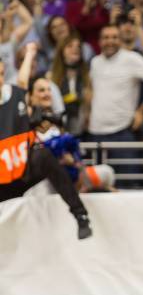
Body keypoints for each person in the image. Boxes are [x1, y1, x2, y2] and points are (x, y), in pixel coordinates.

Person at [0, 43, 91, 239]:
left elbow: (23, 81)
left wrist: (30, 53)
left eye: (0, 74)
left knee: (43, 155)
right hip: (1, 180)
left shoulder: (15, 94)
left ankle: (80, 214)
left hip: (22, 171)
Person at [87, 25, 143, 157]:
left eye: (114, 37)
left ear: (120, 40)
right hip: (95, 133)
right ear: (99, 41)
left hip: (122, 132)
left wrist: (141, 111)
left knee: (126, 177)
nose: (110, 41)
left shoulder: (131, 58)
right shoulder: (95, 62)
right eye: (106, 37)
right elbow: (91, 91)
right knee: (98, 177)